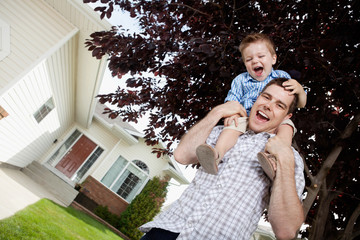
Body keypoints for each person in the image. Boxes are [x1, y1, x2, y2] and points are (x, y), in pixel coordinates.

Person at [139, 78, 305, 240]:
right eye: (266, 97)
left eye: (279, 105)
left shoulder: (288, 157)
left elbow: (286, 231)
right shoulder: (223, 131)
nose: (268, 105)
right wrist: (217, 112)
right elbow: (182, 155)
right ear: (258, 97)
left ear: (286, 117)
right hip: (166, 230)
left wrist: (284, 160)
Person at [196, 33, 307, 179]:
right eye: (249, 59)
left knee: (287, 126)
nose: (255, 61)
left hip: (274, 120)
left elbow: (300, 103)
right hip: (247, 117)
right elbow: (232, 101)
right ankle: (217, 155)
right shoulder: (240, 80)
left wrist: (299, 89)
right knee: (231, 128)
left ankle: (274, 158)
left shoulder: (282, 77)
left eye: (261, 56)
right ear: (245, 64)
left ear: (273, 59)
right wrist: (232, 114)